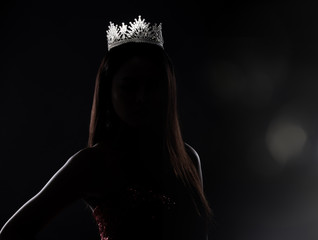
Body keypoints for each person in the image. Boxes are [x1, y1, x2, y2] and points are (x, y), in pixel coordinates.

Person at [0, 15, 212, 240]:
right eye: (129, 87)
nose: (141, 98)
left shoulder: (187, 158)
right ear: (108, 92)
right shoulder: (93, 163)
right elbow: (12, 233)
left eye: (152, 86)